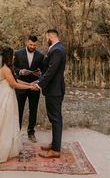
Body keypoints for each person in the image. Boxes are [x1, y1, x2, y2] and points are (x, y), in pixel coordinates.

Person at [32, 29, 66, 158]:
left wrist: (39, 84)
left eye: (46, 37)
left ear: (50, 36)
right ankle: (54, 143)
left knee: (56, 118)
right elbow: (49, 69)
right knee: (54, 118)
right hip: (54, 89)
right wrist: (40, 76)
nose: (46, 39)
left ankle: (56, 150)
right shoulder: (56, 48)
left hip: (54, 90)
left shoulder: (57, 50)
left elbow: (51, 71)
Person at [14, 35, 44, 143]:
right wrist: (20, 71)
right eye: (31, 44)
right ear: (27, 42)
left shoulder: (40, 56)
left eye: (34, 45)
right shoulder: (18, 53)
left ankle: (31, 133)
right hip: (21, 85)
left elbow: (44, 71)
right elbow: (13, 67)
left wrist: (39, 73)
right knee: (19, 110)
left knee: (33, 110)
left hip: (34, 86)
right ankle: (16, 132)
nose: (32, 46)